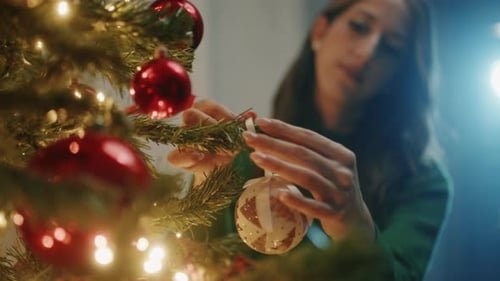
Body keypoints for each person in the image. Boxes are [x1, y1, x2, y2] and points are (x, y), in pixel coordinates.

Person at [167, 0, 452, 279]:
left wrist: (357, 230)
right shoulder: (248, 150)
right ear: (320, 31)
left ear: (397, 76)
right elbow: (197, 265)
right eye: (359, 26)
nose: (366, 53)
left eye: (391, 48)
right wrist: (207, 186)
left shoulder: (422, 181)